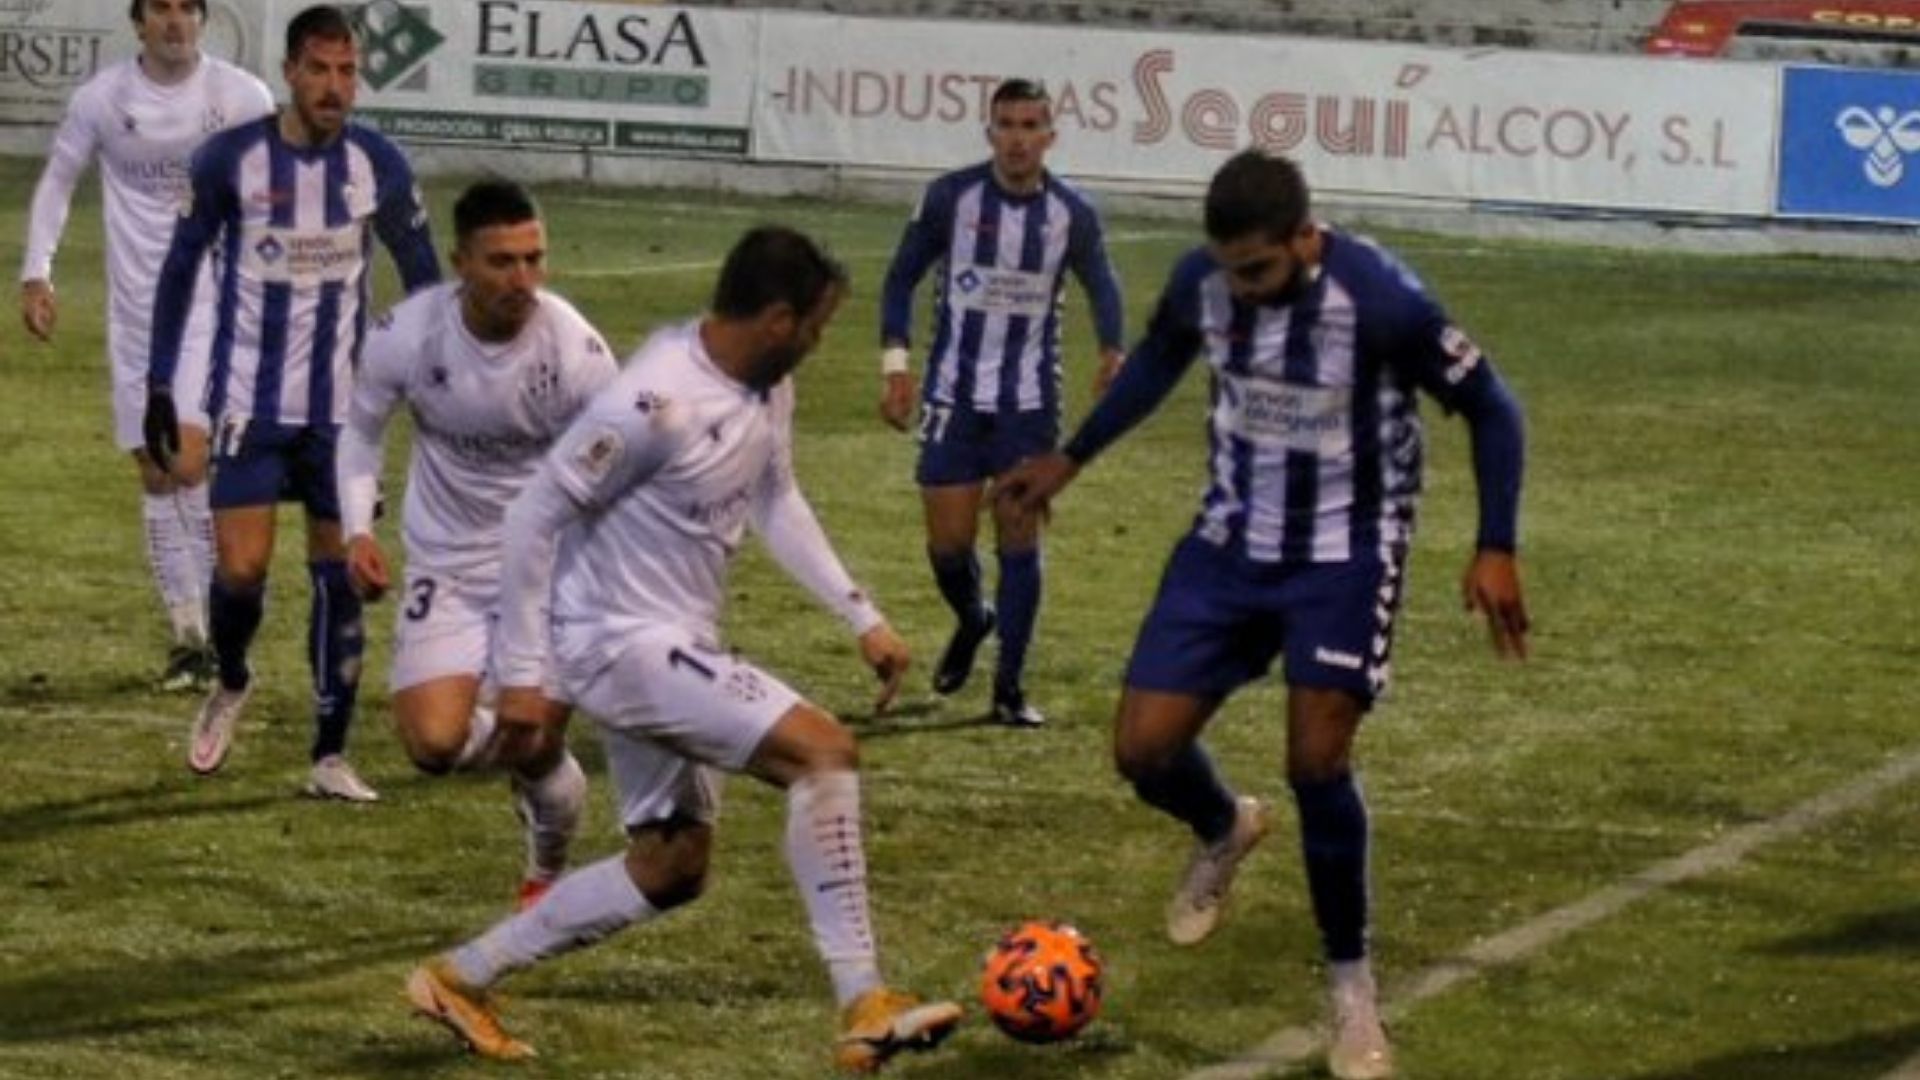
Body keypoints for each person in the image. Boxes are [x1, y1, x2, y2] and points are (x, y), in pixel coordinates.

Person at [1001, 149, 1530, 1080]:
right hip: (1229, 544)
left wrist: (1496, 543)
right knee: (1142, 750)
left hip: (1347, 551)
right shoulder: (1204, 281)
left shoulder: (1383, 301)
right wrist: (1070, 459)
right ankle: (1223, 826)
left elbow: (1494, 408)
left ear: (1306, 240)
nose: (1240, 289)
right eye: (1229, 269)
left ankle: (1352, 990)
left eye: (1260, 270)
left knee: (1317, 761)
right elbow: (1161, 355)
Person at [406, 226, 962, 1073]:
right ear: (777, 319)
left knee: (671, 866)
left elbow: (776, 498)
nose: (817, 344)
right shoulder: (656, 399)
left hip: (671, 641)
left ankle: (461, 978)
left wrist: (862, 616)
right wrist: (522, 673)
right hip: (617, 647)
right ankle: (864, 1000)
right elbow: (534, 515)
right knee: (824, 753)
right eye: (814, 326)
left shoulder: (764, 389)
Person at [144, 4, 441, 801]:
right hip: (246, 401)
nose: (335, 86)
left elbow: (425, 278)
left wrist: (438, 372)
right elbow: (179, 272)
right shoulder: (229, 159)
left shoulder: (377, 163)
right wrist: (160, 386)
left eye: (348, 71)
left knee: (338, 577)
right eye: (320, 69)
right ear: (290, 72)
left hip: (342, 417)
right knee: (240, 572)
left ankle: (329, 755)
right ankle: (232, 678)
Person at [336, 180, 617, 905]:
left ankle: (544, 872)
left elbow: (624, 468)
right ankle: (549, 762)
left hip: (547, 570)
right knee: (433, 746)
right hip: (447, 563)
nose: (523, 279)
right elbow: (361, 433)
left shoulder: (576, 350)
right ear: (461, 261)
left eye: (534, 259)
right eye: (502, 262)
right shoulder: (407, 334)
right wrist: (358, 529)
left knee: (528, 733)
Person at [18, 0, 274, 691]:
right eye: (159, 8)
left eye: (186, 8)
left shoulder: (241, 97)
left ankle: (224, 618)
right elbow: (59, 181)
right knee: (158, 476)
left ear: (202, 18)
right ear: (138, 21)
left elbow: (279, 184)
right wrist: (35, 272)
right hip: (131, 316)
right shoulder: (103, 100)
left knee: (187, 459)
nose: (174, 21)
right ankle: (191, 637)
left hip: (206, 309)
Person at [877, 77, 1125, 727]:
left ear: (1050, 135)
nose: (1017, 139)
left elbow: (1103, 284)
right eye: (1006, 125)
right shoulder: (949, 197)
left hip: (1029, 403)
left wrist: (1112, 350)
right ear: (990, 133)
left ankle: (1009, 688)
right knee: (949, 546)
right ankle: (973, 616)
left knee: (1019, 535)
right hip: (954, 397)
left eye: (1029, 126)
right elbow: (901, 278)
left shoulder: (1072, 213)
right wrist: (896, 365)